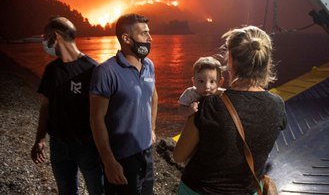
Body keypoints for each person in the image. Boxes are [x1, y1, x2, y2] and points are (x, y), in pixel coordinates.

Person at [173, 25, 287, 194]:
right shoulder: (277, 105)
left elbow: (179, 155)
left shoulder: (210, 105)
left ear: (231, 61)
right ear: (265, 62)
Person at [30, 17, 104, 195]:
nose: (44, 42)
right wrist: (39, 139)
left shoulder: (93, 70)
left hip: (87, 145)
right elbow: (45, 107)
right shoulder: (51, 71)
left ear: (55, 37)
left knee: (98, 190)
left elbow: (103, 113)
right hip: (58, 145)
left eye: (45, 37)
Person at [90, 13, 158, 195]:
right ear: (126, 38)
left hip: (146, 153)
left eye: (149, 33)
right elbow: (97, 120)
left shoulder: (149, 65)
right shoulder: (105, 72)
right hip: (122, 157)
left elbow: (153, 95)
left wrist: (152, 128)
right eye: (144, 33)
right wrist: (109, 162)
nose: (150, 38)